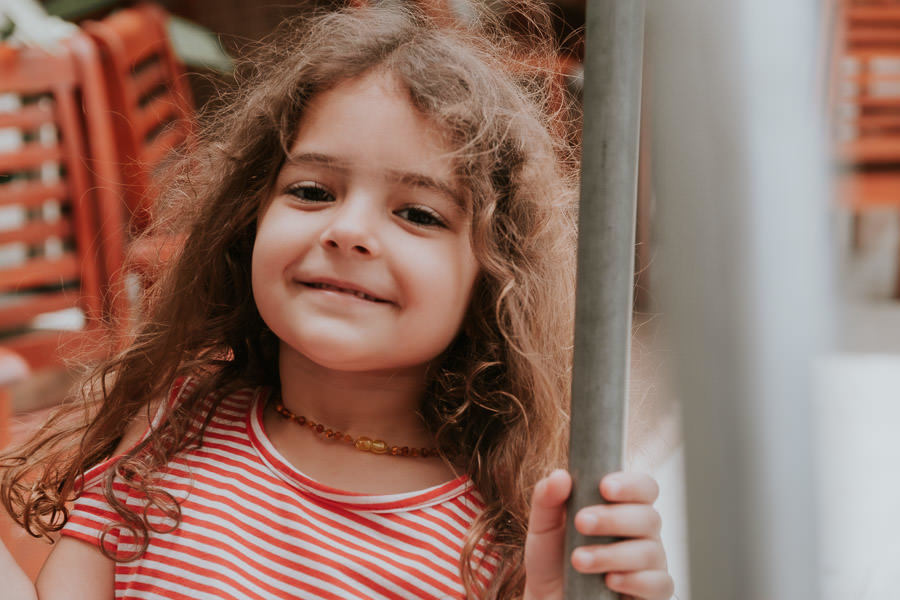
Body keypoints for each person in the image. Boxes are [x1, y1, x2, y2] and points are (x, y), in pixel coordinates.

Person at [0, 4, 674, 599]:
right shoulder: (176, 420)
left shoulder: (510, 538)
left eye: (417, 213)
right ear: (247, 221)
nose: (348, 231)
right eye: (312, 191)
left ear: (492, 274)